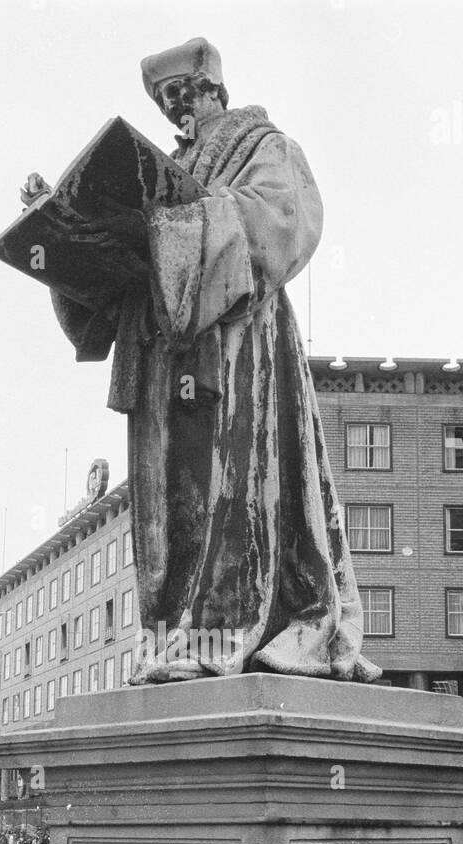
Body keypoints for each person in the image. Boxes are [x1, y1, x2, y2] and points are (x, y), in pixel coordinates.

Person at [25, 38, 381, 686]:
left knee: (230, 490)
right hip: (160, 360)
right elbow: (108, 287)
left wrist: (176, 223)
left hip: (237, 350)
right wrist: (62, 230)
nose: (177, 108)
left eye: (184, 93)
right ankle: (175, 637)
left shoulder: (263, 145)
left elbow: (283, 221)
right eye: (166, 100)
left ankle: (225, 627)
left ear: (214, 88)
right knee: (168, 506)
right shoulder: (162, 170)